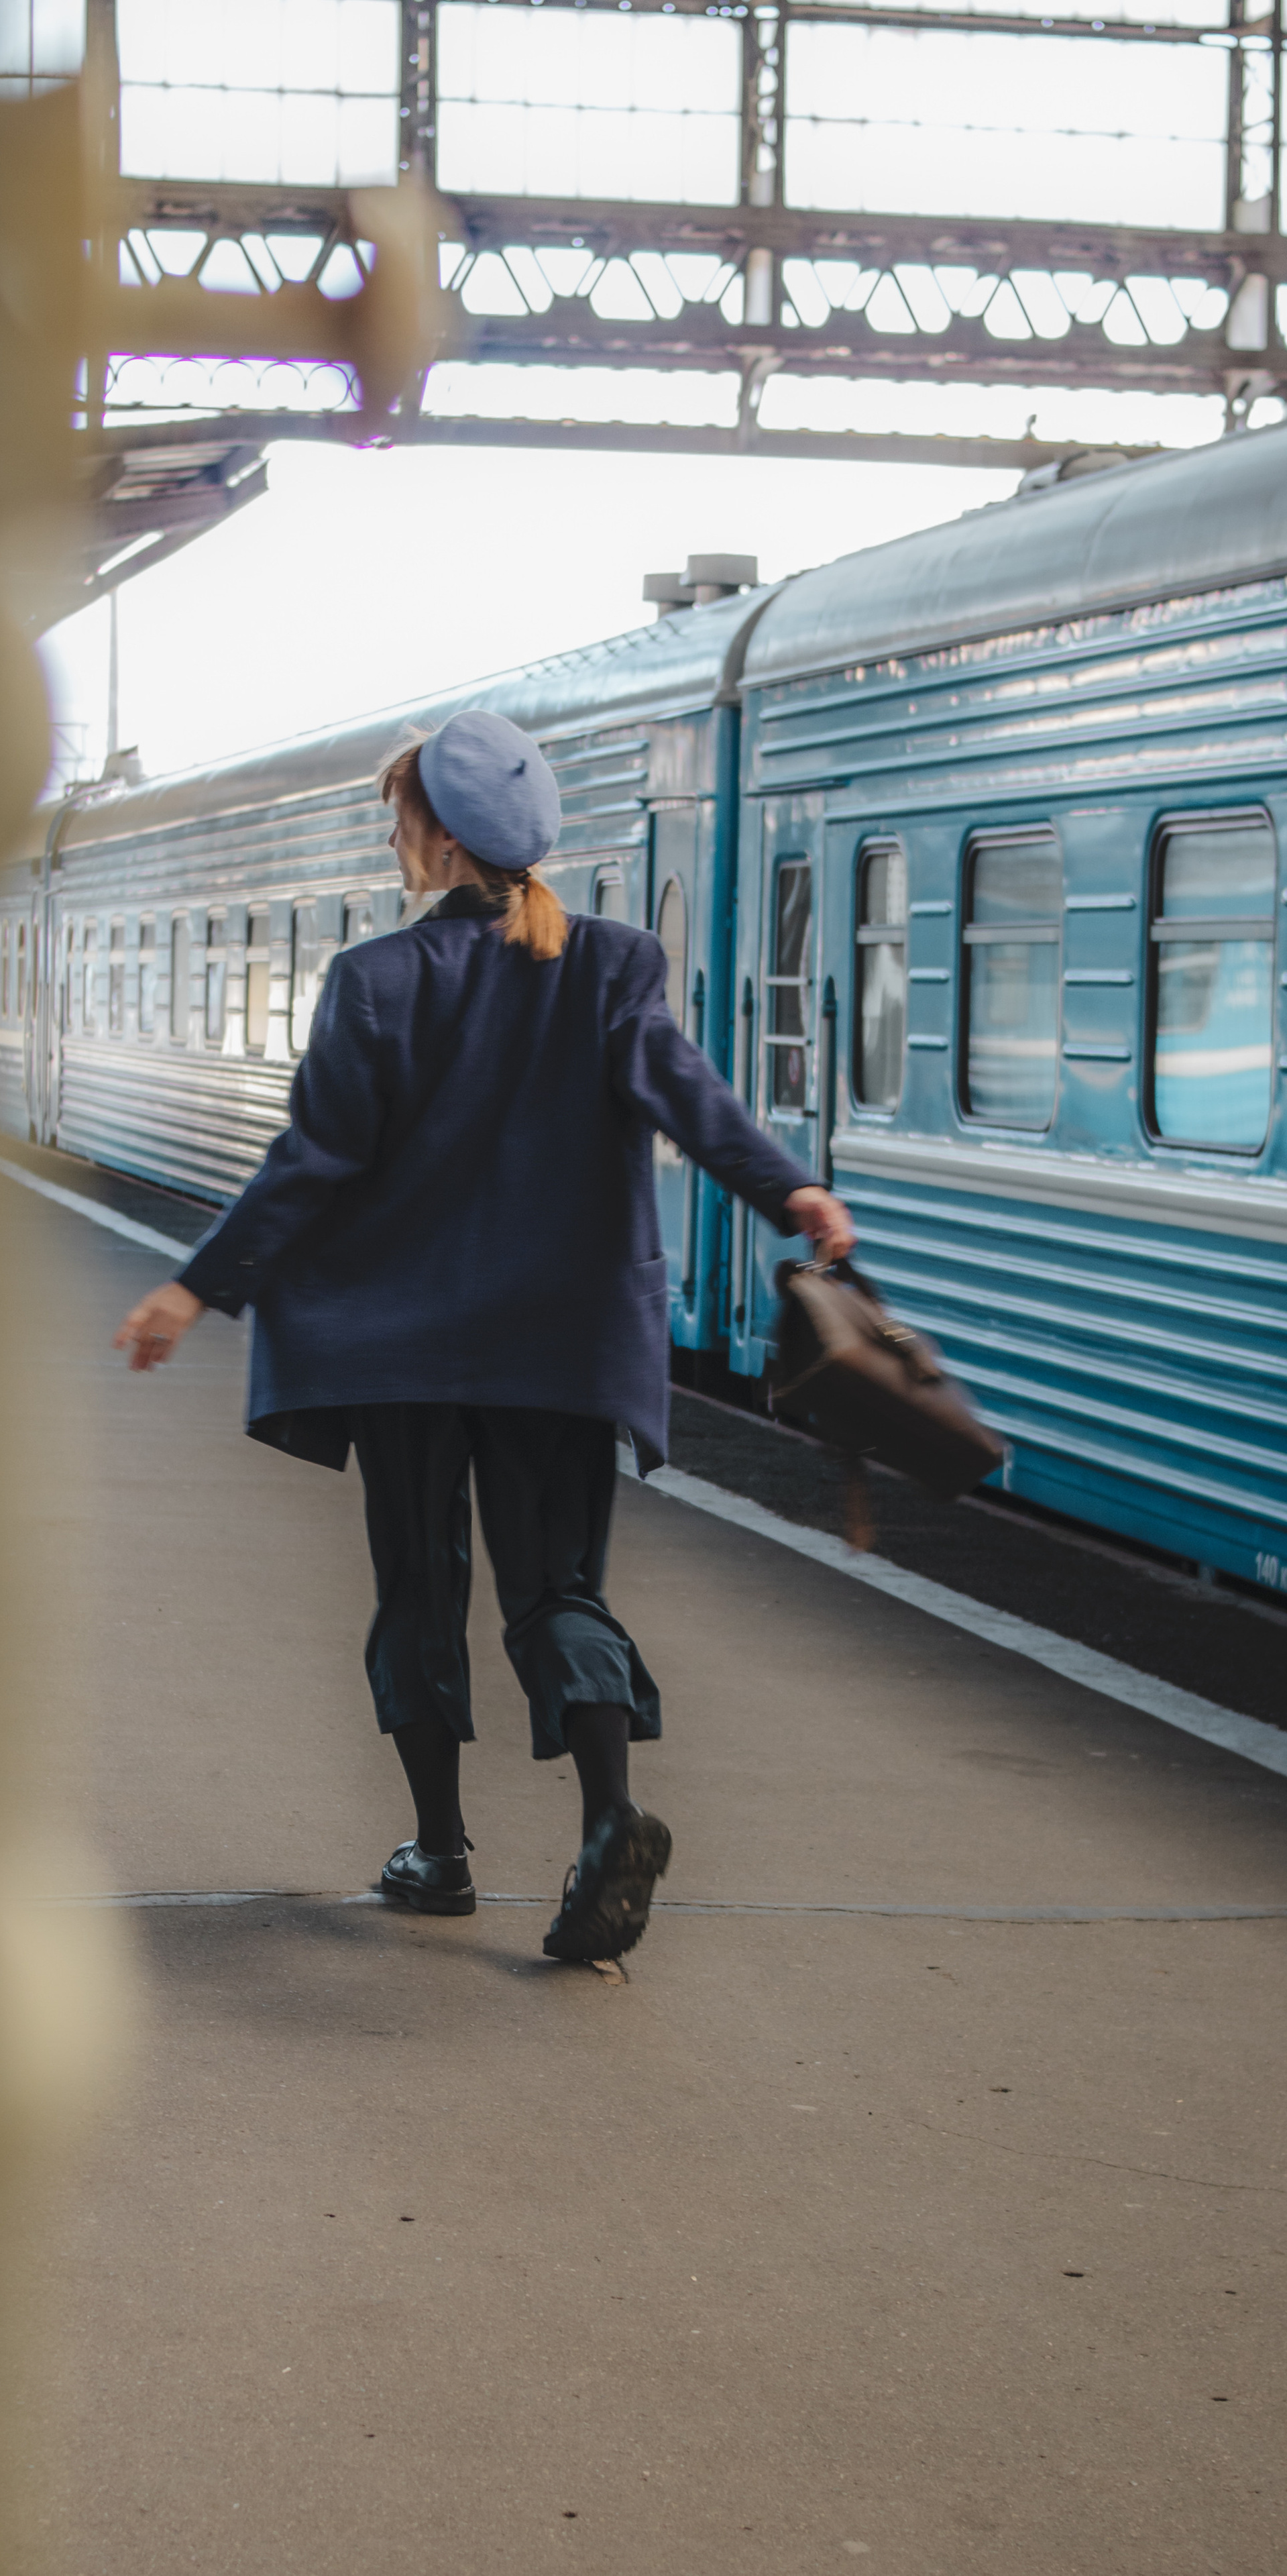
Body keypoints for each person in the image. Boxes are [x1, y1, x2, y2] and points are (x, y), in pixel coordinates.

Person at [115, 710, 854, 1964]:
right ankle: (610, 1816)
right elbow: (693, 1096)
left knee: (421, 1589)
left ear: (442, 838)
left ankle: (442, 1855)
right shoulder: (615, 964)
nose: (396, 840)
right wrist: (792, 1190)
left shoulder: (376, 981)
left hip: (399, 1350)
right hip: (560, 1347)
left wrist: (198, 1288)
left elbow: (316, 1162)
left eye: (400, 820)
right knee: (557, 1590)